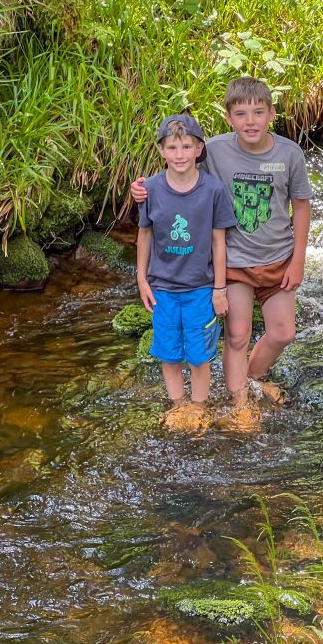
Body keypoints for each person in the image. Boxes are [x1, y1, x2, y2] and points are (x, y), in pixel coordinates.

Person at [132, 77, 311, 425]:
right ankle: (239, 399)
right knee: (238, 333)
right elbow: (177, 167)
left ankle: (253, 377)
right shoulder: (213, 149)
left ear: (271, 114)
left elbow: (301, 207)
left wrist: (299, 259)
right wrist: (141, 189)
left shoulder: (289, 154)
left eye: (258, 112)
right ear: (229, 118)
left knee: (283, 332)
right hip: (234, 263)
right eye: (241, 113)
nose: (250, 121)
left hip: (279, 259)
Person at [136, 114, 237, 429]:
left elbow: (219, 242)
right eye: (171, 147)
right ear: (162, 151)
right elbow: (145, 234)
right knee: (169, 354)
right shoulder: (150, 188)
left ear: (198, 149)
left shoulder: (213, 190)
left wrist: (220, 289)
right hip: (163, 289)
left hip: (200, 289)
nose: (179, 154)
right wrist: (142, 278)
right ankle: (178, 405)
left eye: (185, 146)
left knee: (199, 356)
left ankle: (199, 407)